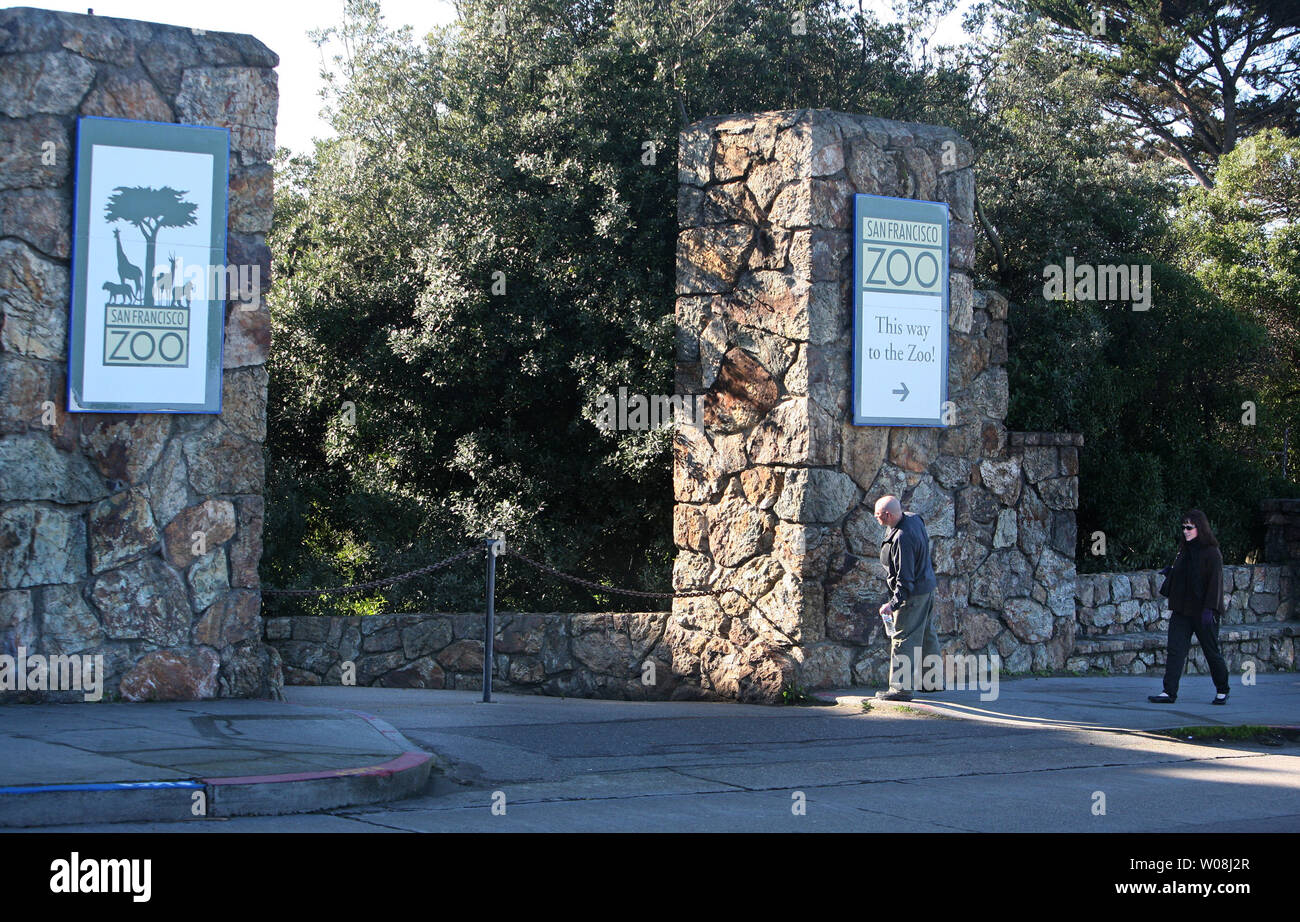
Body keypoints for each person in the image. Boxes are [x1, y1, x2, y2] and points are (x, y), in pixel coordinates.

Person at [1149, 509, 1231, 705]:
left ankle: (1222, 689)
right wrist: (1171, 573)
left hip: (1204, 611)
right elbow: (1184, 576)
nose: (1185, 531)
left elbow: (1215, 582)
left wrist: (1210, 609)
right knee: (1175, 650)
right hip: (1183, 610)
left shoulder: (1212, 553)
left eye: (1189, 527)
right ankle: (1169, 691)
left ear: (1199, 528)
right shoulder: (1184, 551)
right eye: (1183, 527)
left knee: (1211, 651)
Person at [874, 494, 939, 701]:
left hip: (913, 595)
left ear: (887, 514)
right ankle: (932, 682)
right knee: (926, 634)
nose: (876, 519)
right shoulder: (913, 518)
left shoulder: (903, 538)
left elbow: (905, 579)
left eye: (878, 515)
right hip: (926, 587)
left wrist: (892, 605)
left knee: (903, 638)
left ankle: (900, 688)